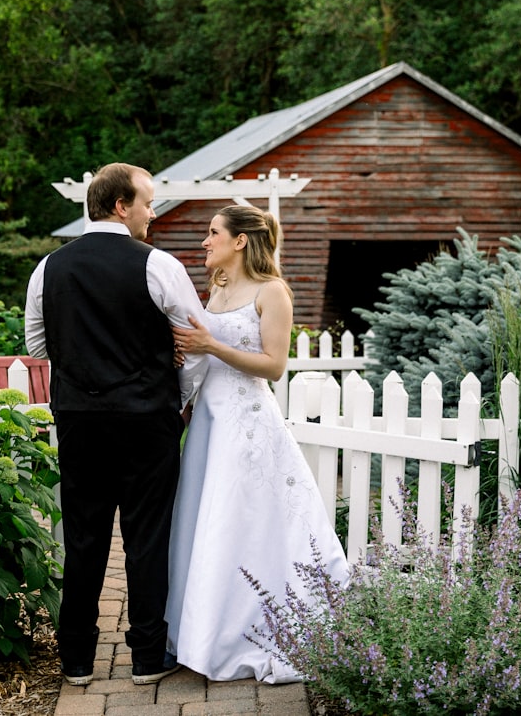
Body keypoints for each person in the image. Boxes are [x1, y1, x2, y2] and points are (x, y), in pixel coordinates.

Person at [24, 163, 208, 687]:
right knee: (147, 537)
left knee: (83, 537)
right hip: (147, 420)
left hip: (79, 421)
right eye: (148, 203)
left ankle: (77, 659)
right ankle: (147, 657)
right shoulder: (159, 265)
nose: (153, 213)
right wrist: (178, 401)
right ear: (121, 206)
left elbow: (37, 345)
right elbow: (195, 343)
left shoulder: (48, 268)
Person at [166, 204, 351, 683]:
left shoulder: (273, 292)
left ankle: (251, 632)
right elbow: (204, 358)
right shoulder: (218, 288)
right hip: (208, 420)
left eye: (213, 233)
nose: (205, 241)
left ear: (240, 240)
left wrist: (211, 346)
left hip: (247, 423)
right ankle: (203, 632)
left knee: (245, 520)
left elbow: (273, 366)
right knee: (208, 520)